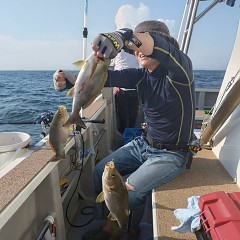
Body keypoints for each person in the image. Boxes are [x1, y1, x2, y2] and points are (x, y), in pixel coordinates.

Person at [53, 20, 195, 240]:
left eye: (141, 46)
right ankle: (110, 219)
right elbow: (101, 77)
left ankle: (121, 229)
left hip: (172, 153)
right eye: (135, 50)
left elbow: (160, 47)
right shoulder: (140, 76)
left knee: (131, 192)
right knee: (99, 171)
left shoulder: (179, 72)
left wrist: (123, 37)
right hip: (144, 143)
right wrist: (68, 80)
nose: (138, 52)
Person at [111, 51, 140, 135]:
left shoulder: (116, 52)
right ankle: (131, 134)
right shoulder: (136, 51)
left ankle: (124, 134)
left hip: (122, 87)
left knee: (122, 113)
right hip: (134, 86)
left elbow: (112, 65)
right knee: (133, 114)